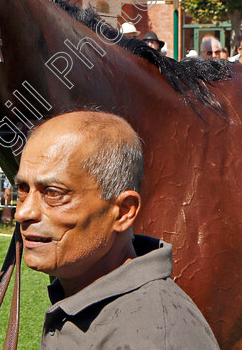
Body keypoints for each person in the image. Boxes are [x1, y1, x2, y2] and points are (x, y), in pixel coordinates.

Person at [14, 111, 218, 348]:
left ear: (123, 211)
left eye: (53, 193)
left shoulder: (155, 338)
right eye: (22, 189)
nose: (23, 212)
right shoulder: (89, 293)